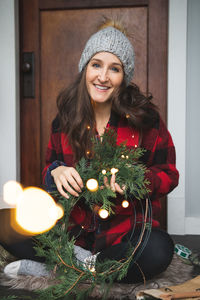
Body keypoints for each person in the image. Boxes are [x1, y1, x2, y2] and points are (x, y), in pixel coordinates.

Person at [3, 20, 179, 283]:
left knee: (159, 249)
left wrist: (136, 180)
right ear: (85, 67)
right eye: (96, 65)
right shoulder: (65, 119)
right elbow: (48, 170)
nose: (103, 77)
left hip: (122, 234)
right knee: (7, 222)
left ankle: (64, 267)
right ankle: (88, 265)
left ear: (124, 76)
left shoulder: (145, 120)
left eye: (114, 69)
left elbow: (169, 174)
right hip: (72, 232)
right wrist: (57, 171)